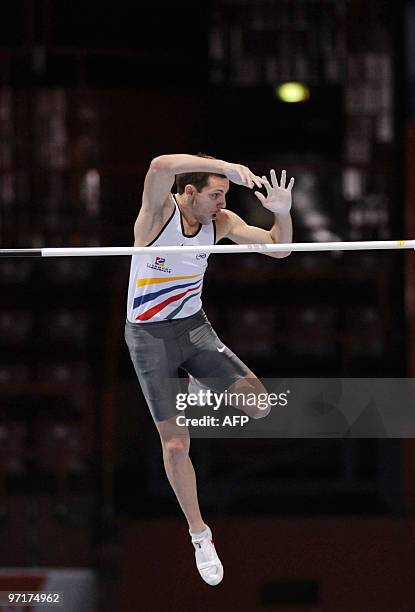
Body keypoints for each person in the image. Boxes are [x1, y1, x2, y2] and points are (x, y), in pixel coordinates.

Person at [125, 153, 294, 586]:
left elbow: (281, 249)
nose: (222, 201)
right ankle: (200, 535)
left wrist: (283, 214)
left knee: (259, 407)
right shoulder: (157, 215)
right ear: (189, 192)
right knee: (178, 446)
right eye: (216, 194)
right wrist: (234, 167)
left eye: (226, 195)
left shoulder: (220, 222)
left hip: (193, 328)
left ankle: (201, 378)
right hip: (149, 337)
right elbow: (160, 164)